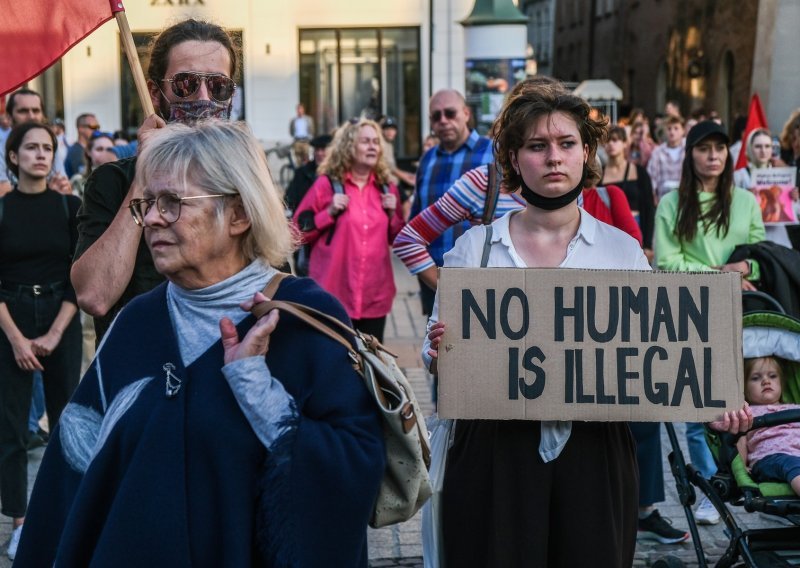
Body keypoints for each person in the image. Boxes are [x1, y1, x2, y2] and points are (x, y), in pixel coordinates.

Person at [14, 120, 385, 566]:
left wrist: (257, 391)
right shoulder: (138, 321)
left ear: (238, 214)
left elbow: (356, 468)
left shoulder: (303, 317)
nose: (151, 218)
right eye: (147, 204)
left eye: (172, 203)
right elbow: (73, 472)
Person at [423, 77, 651, 566]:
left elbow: (656, 354)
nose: (553, 157)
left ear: (586, 153)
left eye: (567, 143)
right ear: (513, 158)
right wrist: (441, 353)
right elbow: (435, 356)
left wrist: (715, 398)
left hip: (595, 450)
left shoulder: (621, 250)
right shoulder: (472, 250)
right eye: (537, 145)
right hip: (495, 451)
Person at [71, 19, 240, 343]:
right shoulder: (114, 181)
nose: (204, 98)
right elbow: (94, 296)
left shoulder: (241, 179)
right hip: (138, 371)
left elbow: (273, 287)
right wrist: (146, 176)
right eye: (186, 84)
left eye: (218, 86)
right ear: (155, 92)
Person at [654, 120, 767, 525]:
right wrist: (719, 273)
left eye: (720, 148)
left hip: (739, 310)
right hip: (693, 310)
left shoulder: (746, 201)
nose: (713, 156)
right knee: (697, 402)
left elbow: (761, 252)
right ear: (691, 154)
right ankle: (708, 486)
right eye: (704, 149)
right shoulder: (672, 203)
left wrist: (744, 266)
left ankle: (755, 471)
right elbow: (667, 262)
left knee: (746, 396)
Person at [0, 122, 82, 560]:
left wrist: (54, 332)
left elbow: (79, 275)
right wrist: (16, 339)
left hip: (61, 317)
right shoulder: (2, 209)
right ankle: (19, 520)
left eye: (47, 148)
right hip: (9, 318)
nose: (40, 154)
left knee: (66, 421)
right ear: (13, 157)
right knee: (10, 426)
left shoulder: (70, 207)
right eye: (30, 148)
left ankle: (66, 512)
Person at [293, 118, 404, 342]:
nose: (372, 146)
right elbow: (297, 231)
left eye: (376, 141)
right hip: (334, 296)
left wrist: (393, 215)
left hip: (375, 296)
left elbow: (398, 240)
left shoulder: (387, 188)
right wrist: (329, 212)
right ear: (348, 146)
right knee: (335, 366)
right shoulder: (327, 185)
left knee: (371, 368)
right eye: (365, 141)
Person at [410, 89, 494, 316]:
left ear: (466, 113)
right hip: (434, 278)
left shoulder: (492, 153)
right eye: (436, 116)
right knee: (438, 347)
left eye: (450, 113)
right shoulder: (427, 160)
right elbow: (416, 218)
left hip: (481, 277)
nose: (443, 121)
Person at [738, 356, 800, 496]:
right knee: (791, 464)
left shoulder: (794, 407)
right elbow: (739, 439)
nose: (766, 381)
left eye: (772, 376)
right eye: (755, 378)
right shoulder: (747, 413)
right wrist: (741, 468)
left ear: (781, 384)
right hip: (771, 458)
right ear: (745, 389)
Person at [0, 89, 71, 197]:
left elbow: (64, 190)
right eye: (23, 111)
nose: (31, 116)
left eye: (36, 110)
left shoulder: (50, 143)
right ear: (9, 118)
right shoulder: (1, 147)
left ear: (43, 116)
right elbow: (3, 196)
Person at [602, 125, 656, 260]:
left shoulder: (639, 172)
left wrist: (648, 244)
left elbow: (648, 207)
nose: (611, 144)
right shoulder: (598, 175)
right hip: (607, 233)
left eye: (615, 140)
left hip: (636, 227)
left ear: (625, 143)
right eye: (607, 141)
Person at [647, 114, 686, 202]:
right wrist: (653, 195)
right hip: (664, 198)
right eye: (669, 129)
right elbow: (652, 175)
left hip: (685, 197)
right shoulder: (658, 152)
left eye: (676, 128)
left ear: (683, 130)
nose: (672, 132)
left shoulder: (688, 150)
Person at [70, 131, 118, 198]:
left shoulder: (123, 181)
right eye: (99, 149)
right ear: (88, 152)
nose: (105, 154)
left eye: (109, 150)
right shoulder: (78, 181)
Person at [64, 113, 99, 178]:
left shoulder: (92, 150)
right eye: (93, 127)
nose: (97, 130)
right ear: (81, 128)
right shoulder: (75, 152)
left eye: (98, 127)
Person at [289, 102, 314, 167]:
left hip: (305, 141)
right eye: (298, 109)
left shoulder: (308, 119)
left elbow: (312, 129)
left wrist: (309, 138)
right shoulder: (293, 120)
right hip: (297, 141)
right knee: (298, 160)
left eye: (301, 109)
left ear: (303, 110)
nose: (299, 111)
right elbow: (291, 131)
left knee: (306, 158)